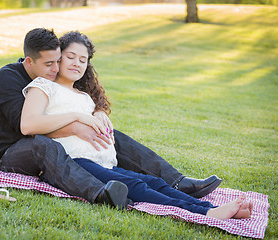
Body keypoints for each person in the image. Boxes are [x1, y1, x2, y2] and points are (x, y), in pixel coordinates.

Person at [20, 31, 252, 220]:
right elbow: (29, 124)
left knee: (153, 182)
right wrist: (78, 118)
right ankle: (207, 213)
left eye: (83, 60)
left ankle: (212, 207)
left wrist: (96, 113)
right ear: (59, 58)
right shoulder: (44, 86)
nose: (77, 63)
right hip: (74, 161)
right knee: (136, 185)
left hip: (104, 162)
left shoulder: (84, 96)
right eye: (71, 57)